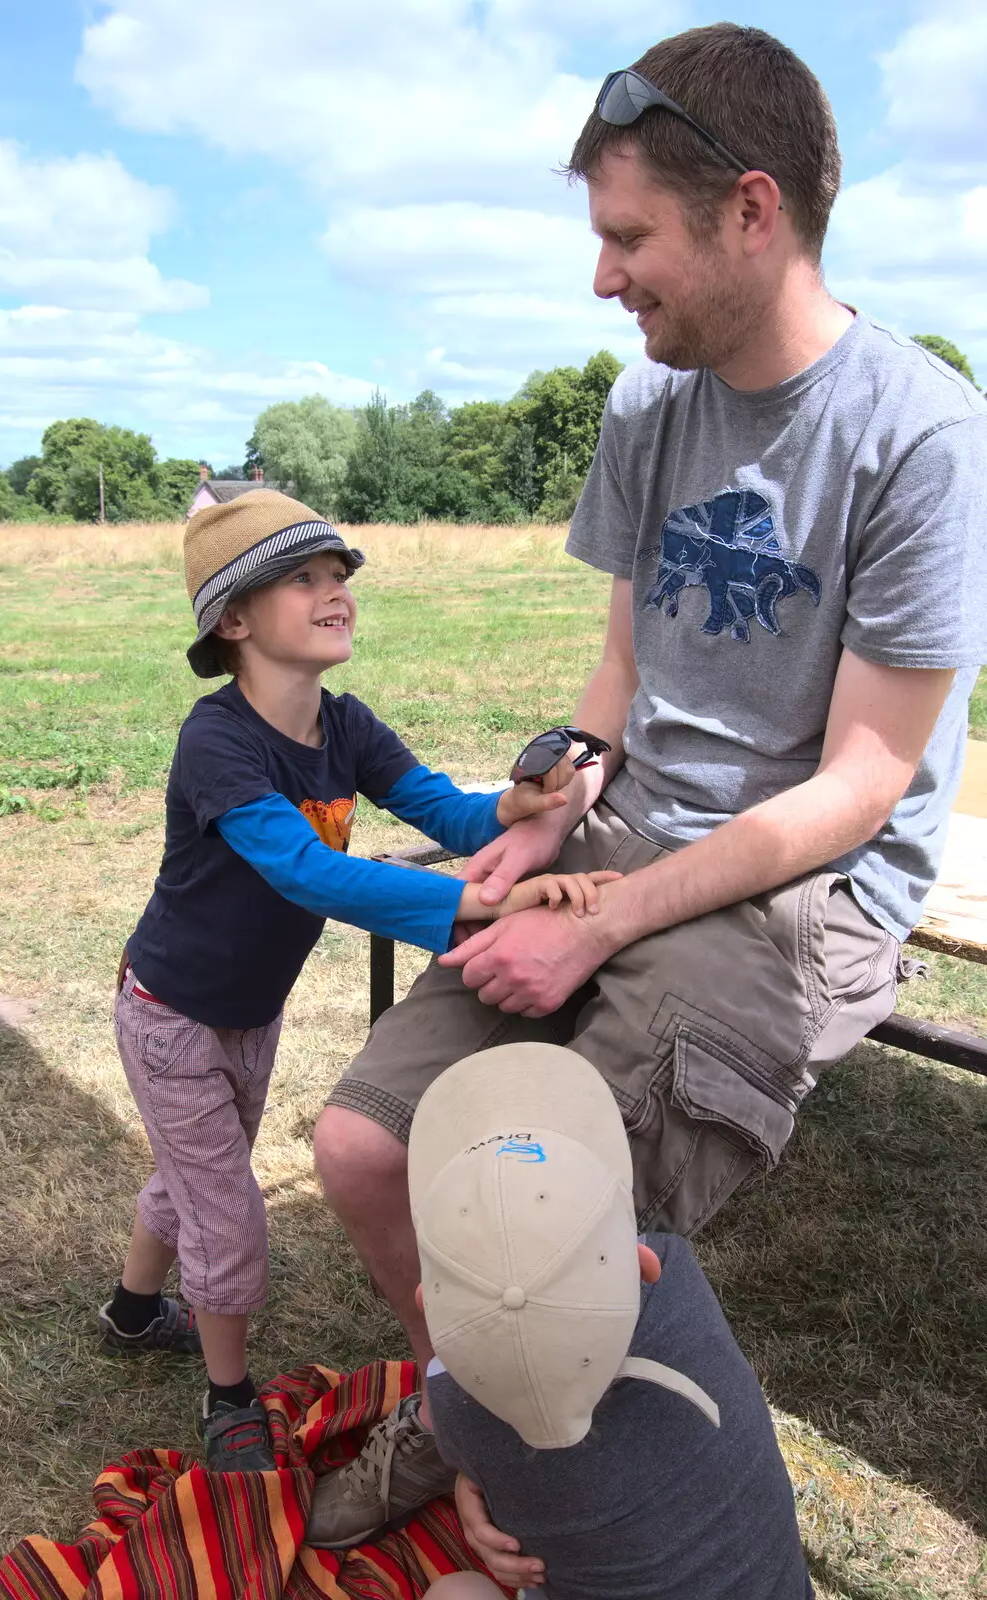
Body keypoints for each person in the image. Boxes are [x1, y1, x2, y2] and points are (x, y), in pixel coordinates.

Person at [308, 21, 987, 1545]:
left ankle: (544, 1479)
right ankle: (482, 1423)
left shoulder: (923, 437)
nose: (602, 279)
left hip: (804, 888)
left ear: (754, 211)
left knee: (547, 1212)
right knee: (363, 1149)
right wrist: (549, 791)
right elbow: (619, 677)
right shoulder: (646, 405)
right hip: (619, 842)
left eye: (628, 237)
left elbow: (864, 786)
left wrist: (600, 924)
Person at [97, 488, 615, 1472]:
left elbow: (443, 811)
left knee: (194, 1169)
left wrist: (518, 801)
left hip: (247, 1011)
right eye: (303, 577)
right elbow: (308, 871)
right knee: (227, 1207)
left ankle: (130, 1312)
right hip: (169, 1011)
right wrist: (487, 905)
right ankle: (228, 1397)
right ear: (234, 619)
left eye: (339, 574)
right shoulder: (218, 742)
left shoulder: (347, 726)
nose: (335, 590)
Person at [412, 1042, 813, 1599]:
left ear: (425, 1301)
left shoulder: (456, 1408)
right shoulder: (675, 1277)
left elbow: (503, 1482)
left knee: (456, 1593)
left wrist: (465, 1481)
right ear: (641, 1259)